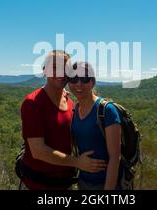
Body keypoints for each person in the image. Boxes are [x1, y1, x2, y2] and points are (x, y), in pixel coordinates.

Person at [19, 51, 107, 190]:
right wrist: (77, 162)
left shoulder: (70, 102)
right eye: (54, 67)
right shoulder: (33, 103)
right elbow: (38, 151)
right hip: (36, 184)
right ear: (44, 71)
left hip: (64, 183)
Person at [68, 62, 123, 190]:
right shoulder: (74, 110)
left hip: (105, 184)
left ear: (93, 82)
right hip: (83, 182)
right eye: (74, 79)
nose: (79, 84)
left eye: (85, 79)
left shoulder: (107, 111)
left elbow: (115, 157)